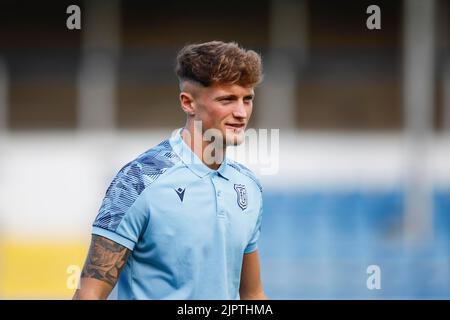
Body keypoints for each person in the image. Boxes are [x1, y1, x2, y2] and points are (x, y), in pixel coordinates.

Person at [73, 41, 266, 300]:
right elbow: (89, 295)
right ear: (188, 103)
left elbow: (252, 295)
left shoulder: (249, 187)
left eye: (247, 99)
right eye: (227, 99)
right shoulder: (137, 180)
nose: (241, 112)